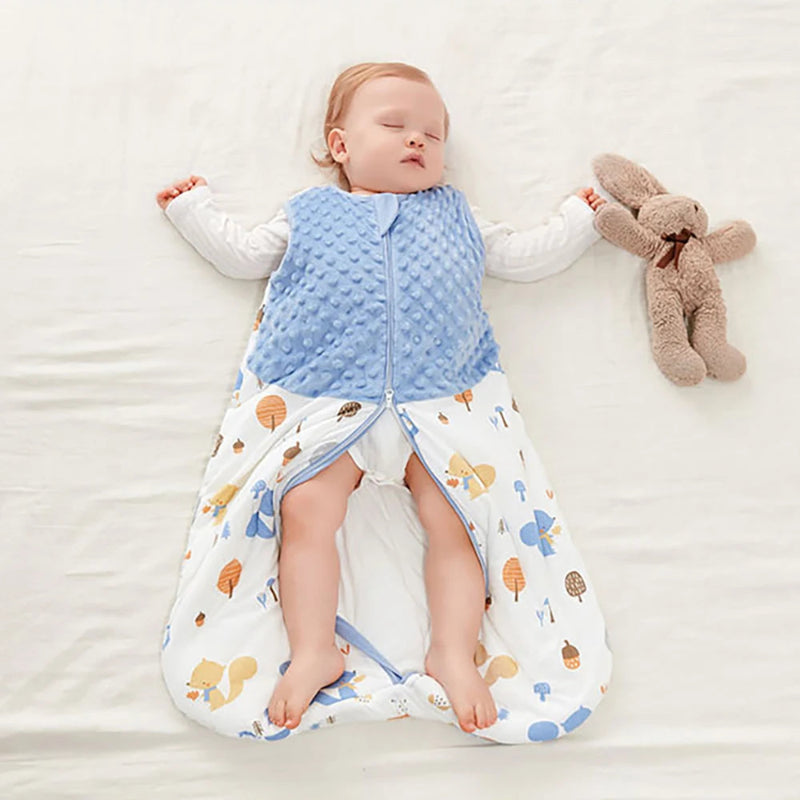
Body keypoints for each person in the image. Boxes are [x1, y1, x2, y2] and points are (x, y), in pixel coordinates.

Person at [156, 61, 607, 735]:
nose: (417, 141)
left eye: (433, 133)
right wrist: (194, 210)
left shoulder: (460, 215)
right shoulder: (308, 214)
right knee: (305, 509)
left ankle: (451, 653)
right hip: (327, 400)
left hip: (439, 404)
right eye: (395, 126)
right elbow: (244, 255)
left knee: (456, 523)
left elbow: (522, 257)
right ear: (340, 146)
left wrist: (579, 220)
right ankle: (314, 652)